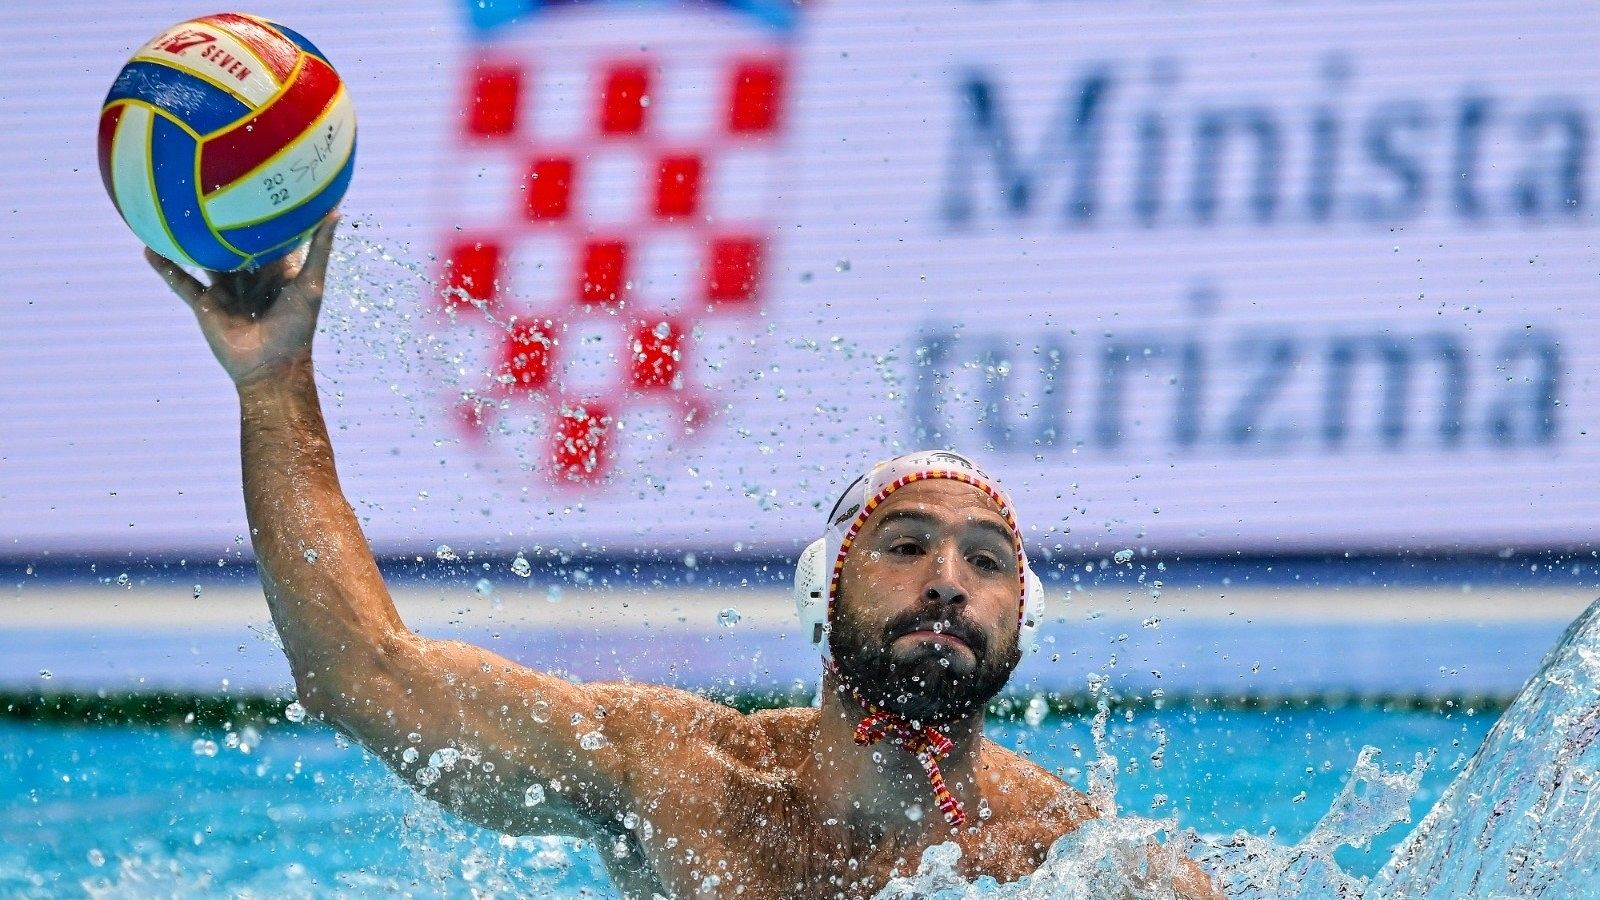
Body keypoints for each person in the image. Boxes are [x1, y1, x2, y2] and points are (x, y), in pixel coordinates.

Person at [144, 216, 1219, 899]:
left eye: (986, 564)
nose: (947, 579)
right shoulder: (682, 777)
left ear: (1023, 623)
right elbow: (361, 674)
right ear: (821, 593)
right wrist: (273, 384)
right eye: (905, 546)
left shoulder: (1075, 862)